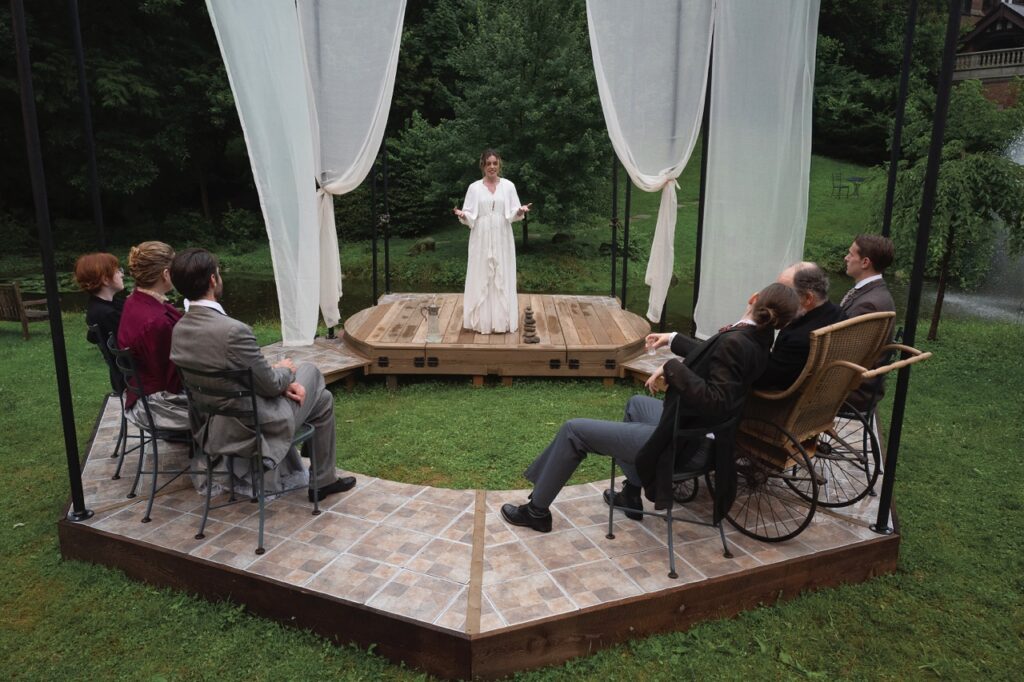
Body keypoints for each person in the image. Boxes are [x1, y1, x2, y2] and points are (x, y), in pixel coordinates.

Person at [500, 283, 800, 532]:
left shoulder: (738, 341)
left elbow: (715, 400)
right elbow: (719, 357)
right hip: (699, 436)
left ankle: (537, 512)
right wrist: (673, 340)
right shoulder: (759, 339)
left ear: (753, 298)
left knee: (573, 431)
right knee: (636, 404)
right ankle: (631, 494)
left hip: (684, 443)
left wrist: (672, 368)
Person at [169, 248, 355, 502]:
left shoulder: (179, 329)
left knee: (322, 401)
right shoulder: (234, 331)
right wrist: (286, 373)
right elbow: (268, 385)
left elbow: (234, 377)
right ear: (213, 280)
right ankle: (321, 481)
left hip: (215, 423)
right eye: (219, 273)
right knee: (309, 372)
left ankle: (323, 479)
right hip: (253, 424)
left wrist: (279, 381)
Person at [453, 149, 531, 334]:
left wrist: (520, 212)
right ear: (483, 166)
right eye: (488, 163)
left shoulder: (509, 186)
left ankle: (502, 321)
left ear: (499, 165)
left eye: (495, 163)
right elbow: (470, 215)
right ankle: (481, 322)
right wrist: (463, 215)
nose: (492, 167)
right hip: (481, 237)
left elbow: (513, 212)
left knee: (502, 273)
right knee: (481, 274)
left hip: (502, 235)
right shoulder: (474, 188)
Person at [116, 241, 189, 431]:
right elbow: (173, 380)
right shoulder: (155, 322)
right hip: (158, 404)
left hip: (144, 389)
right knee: (235, 401)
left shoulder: (135, 300)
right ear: (166, 274)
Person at [753, 261, 845, 391]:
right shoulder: (839, 314)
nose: (777, 298)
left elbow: (763, 380)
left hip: (779, 405)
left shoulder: (798, 339)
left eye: (785, 293)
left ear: (808, 298)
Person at [841, 234, 896, 411]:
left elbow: (846, 351)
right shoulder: (873, 292)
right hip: (858, 384)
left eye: (851, 254)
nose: (846, 258)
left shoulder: (869, 304)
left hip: (854, 391)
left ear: (865, 262)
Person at [73, 252, 125, 348]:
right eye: (117, 271)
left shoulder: (98, 304)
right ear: (105, 280)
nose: (122, 275)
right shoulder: (107, 313)